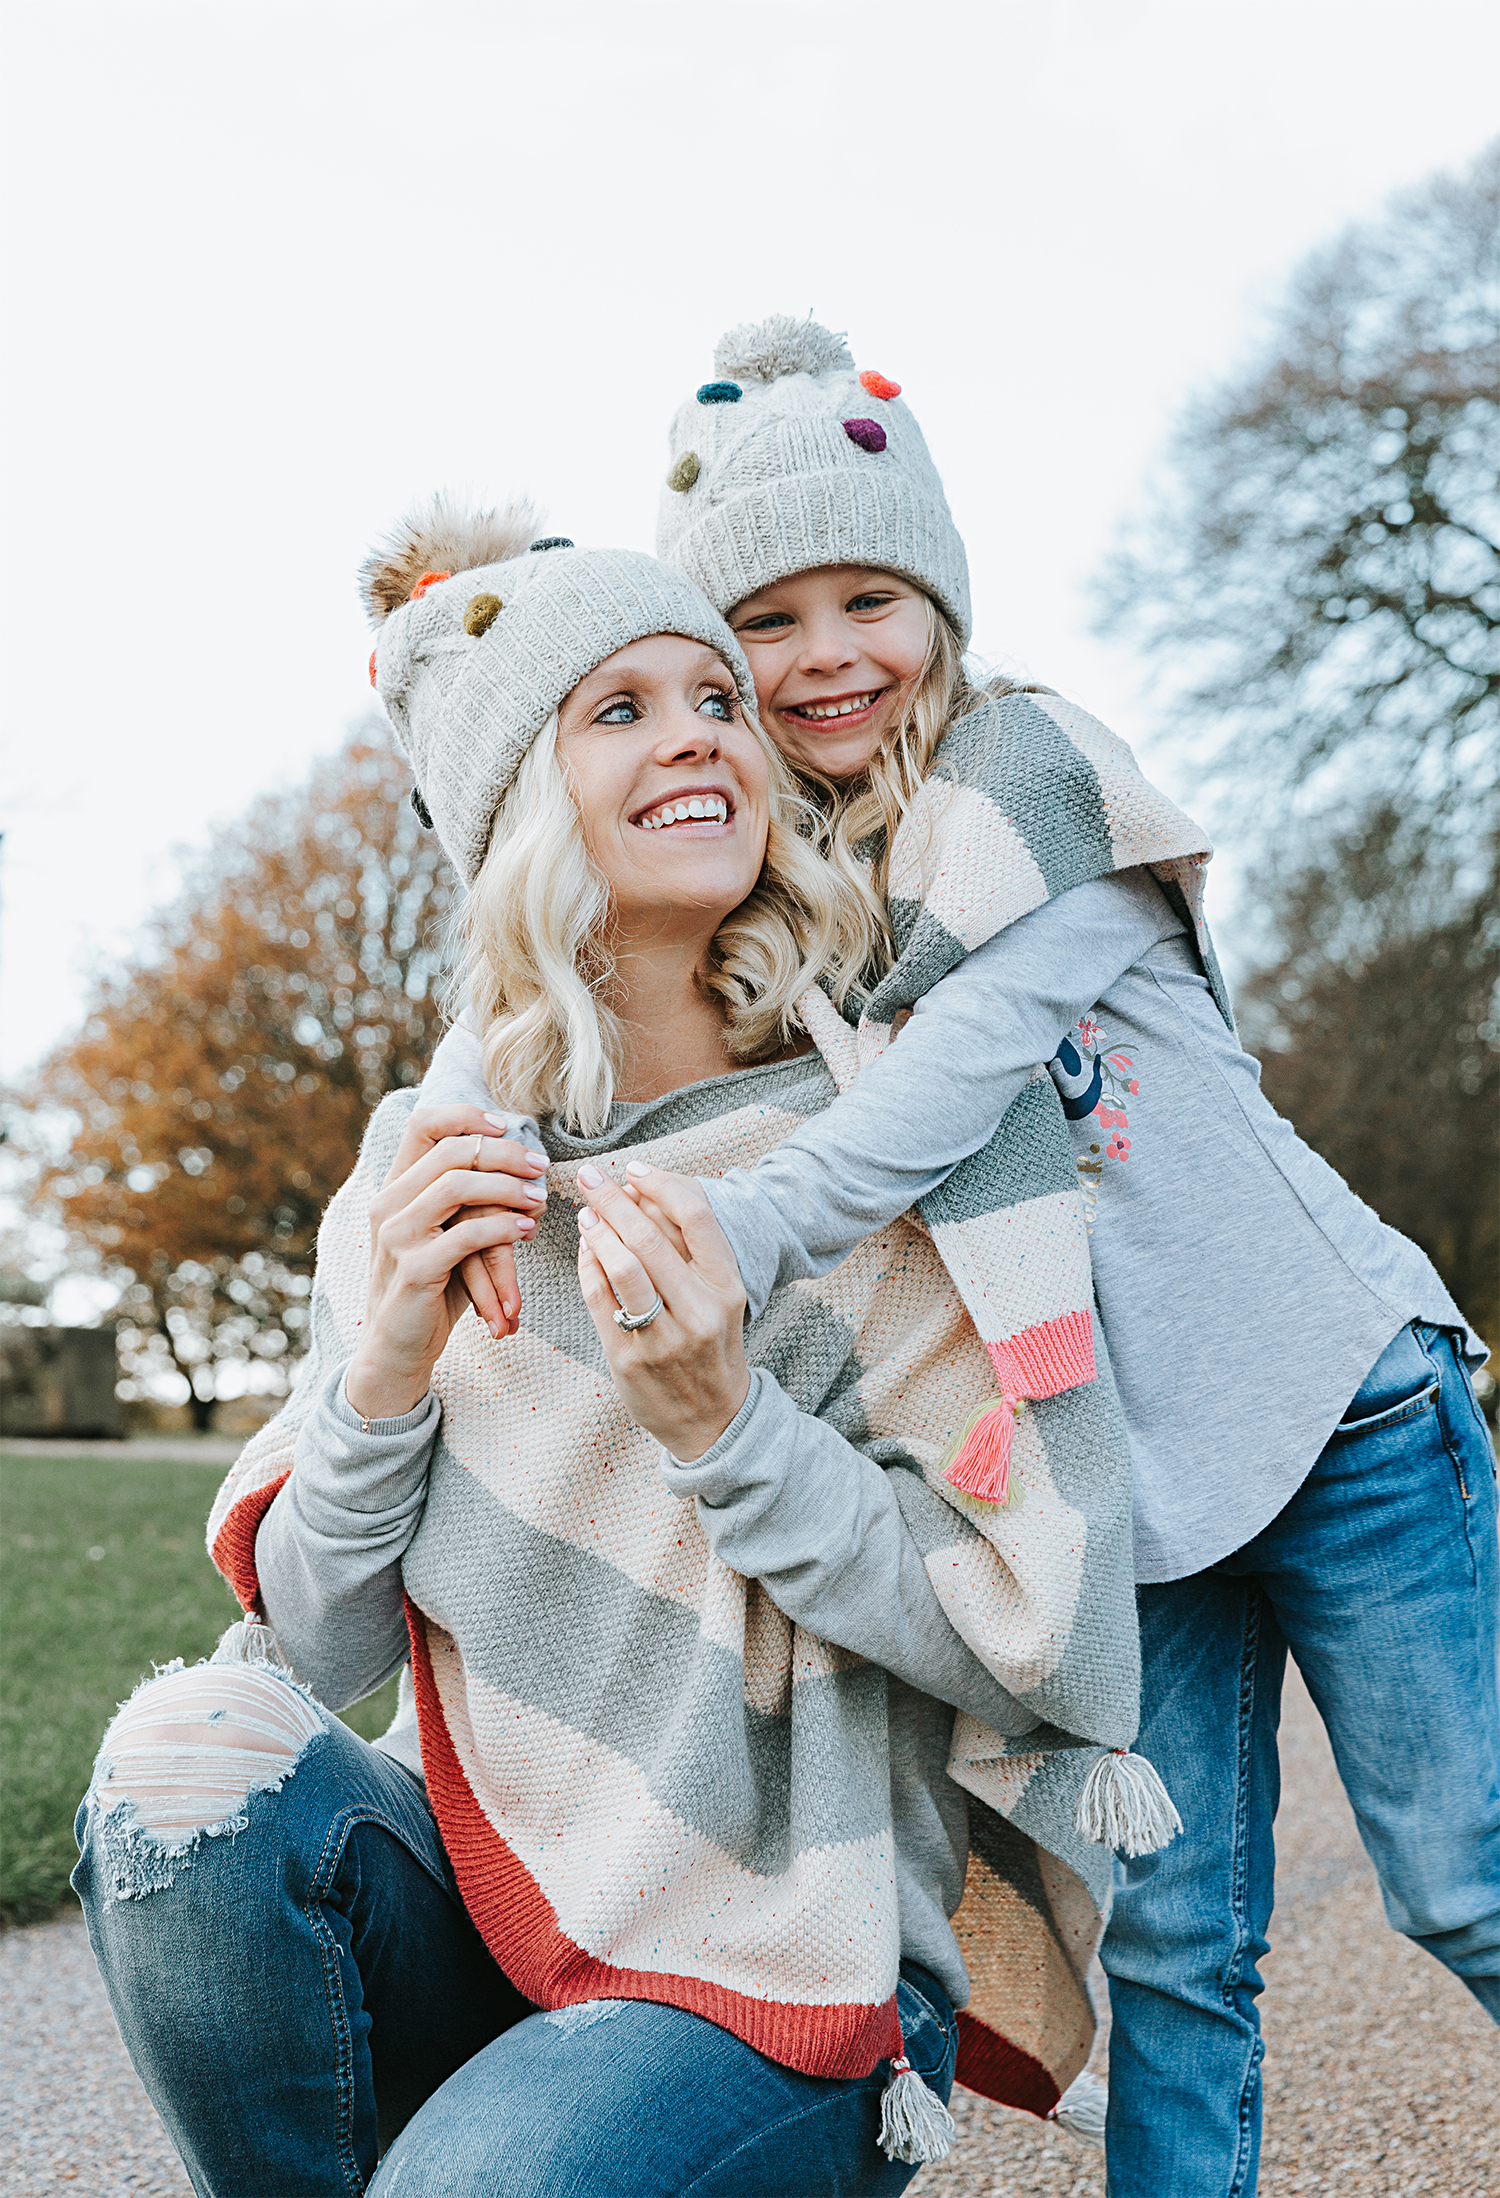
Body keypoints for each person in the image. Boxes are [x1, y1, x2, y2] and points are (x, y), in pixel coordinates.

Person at [435, 316, 1499, 2198]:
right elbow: (586, 974)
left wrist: (731, 1232)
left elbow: (941, 1097)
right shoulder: (801, 889)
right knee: (1179, 1952)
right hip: (1124, 1484)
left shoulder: (1027, 780)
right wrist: (495, 1142)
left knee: (1461, 1872)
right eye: (766, 621)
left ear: (940, 600)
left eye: (871, 596)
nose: (828, 653)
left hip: (1333, 1401)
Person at [73, 509, 1155, 2198]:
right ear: (519, 804)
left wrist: (733, 1431)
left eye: (715, 695)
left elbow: (1039, 1634)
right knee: (184, 1769)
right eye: (622, 708)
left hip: (786, 1947)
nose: (703, 732)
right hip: (494, 1897)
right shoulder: (427, 1166)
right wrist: (386, 1374)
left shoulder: (901, 1137)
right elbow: (316, 1638)